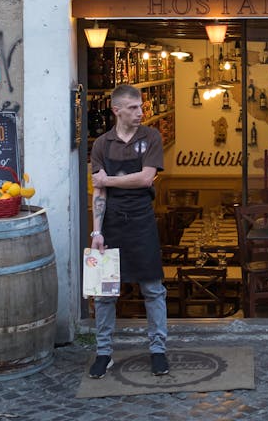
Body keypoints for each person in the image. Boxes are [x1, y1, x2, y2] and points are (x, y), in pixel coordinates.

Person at [88, 84, 169, 378]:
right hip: (110, 224)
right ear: (116, 110)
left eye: (141, 107)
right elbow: (97, 195)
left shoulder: (151, 137)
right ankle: (103, 353)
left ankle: (158, 350)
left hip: (142, 220)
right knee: (105, 293)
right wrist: (96, 232)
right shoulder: (101, 144)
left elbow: (146, 179)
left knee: (152, 288)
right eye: (133, 108)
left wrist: (108, 181)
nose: (140, 113)